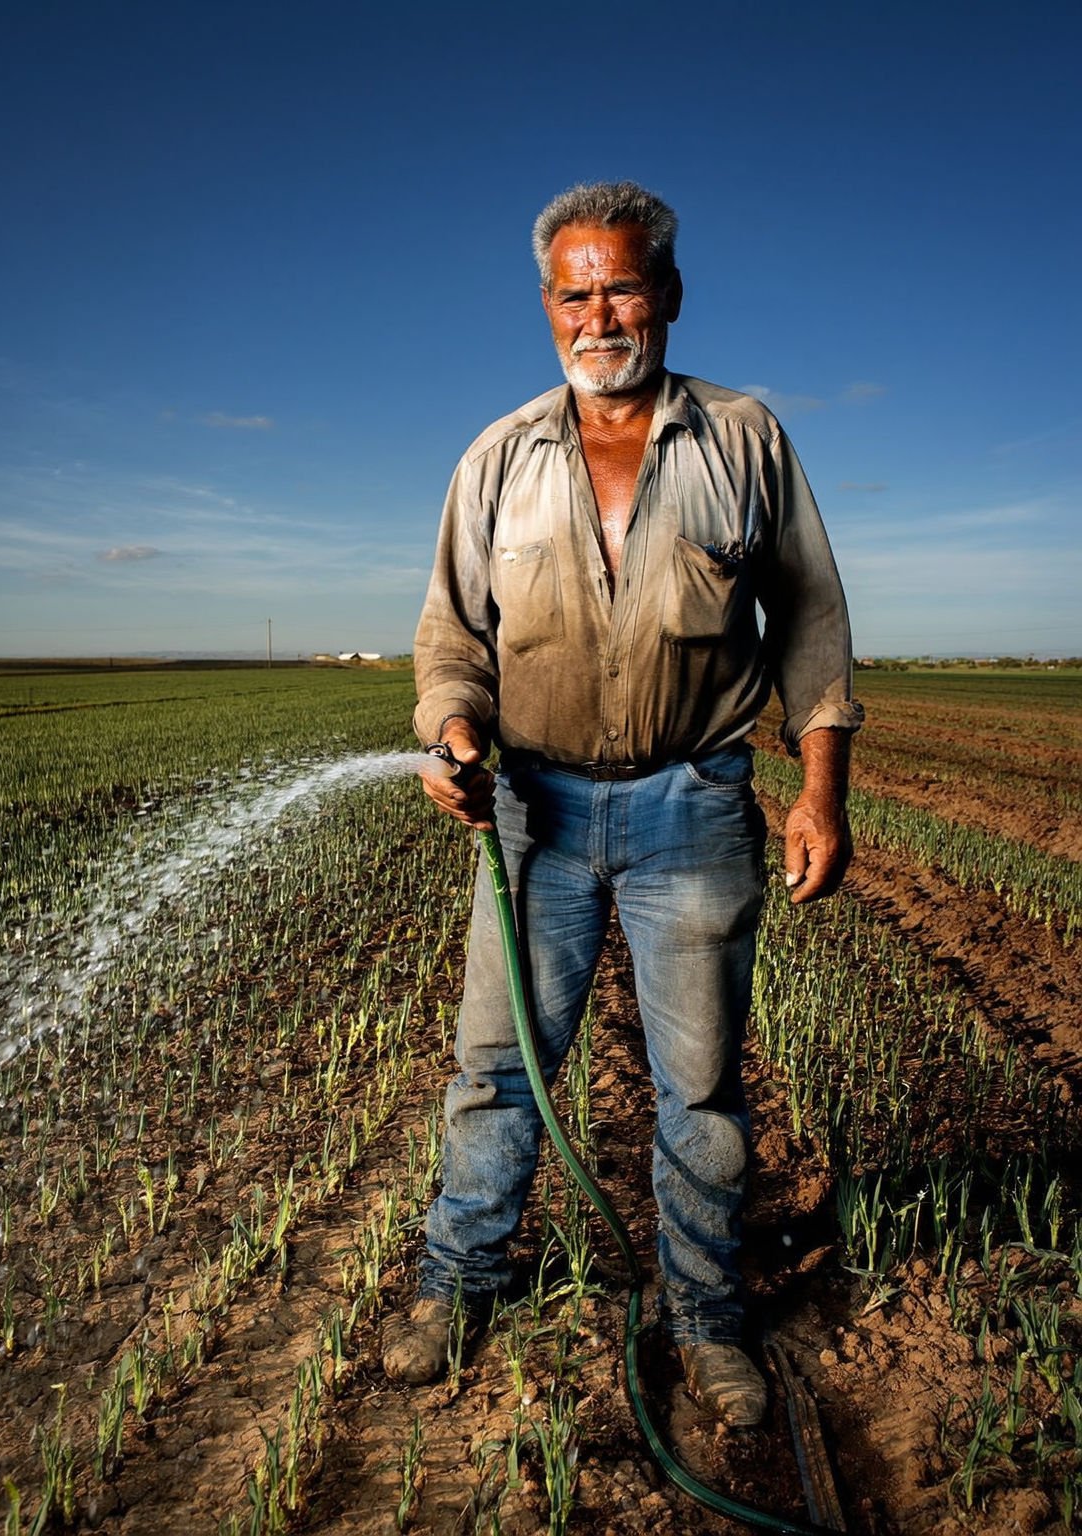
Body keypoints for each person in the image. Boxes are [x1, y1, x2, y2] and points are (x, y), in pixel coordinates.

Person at [383, 181, 862, 1426]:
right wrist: (452, 730)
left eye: (623, 285)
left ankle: (706, 1316)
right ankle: (458, 1281)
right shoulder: (496, 457)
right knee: (498, 1067)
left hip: (693, 807)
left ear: (670, 295)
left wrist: (820, 791)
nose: (600, 314)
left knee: (697, 1085)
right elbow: (449, 641)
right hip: (531, 815)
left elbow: (811, 622)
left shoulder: (744, 438)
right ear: (547, 306)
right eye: (574, 292)